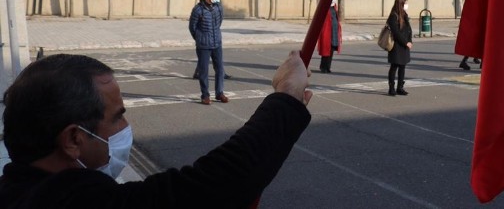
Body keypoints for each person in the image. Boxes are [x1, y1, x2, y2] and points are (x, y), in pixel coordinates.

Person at [0, 52, 312, 207]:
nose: (125, 127)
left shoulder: (15, 189)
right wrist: (286, 95)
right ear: (73, 139)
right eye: (117, 118)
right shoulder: (72, 199)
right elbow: (216, 184)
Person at [189, 0, 226, 105]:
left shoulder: (218, 7)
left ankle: (219, 93)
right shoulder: (198, 9)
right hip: (203, 45)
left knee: (219, 69)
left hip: (217, 43)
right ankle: (205, 95)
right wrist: (200, 38)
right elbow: (192, 27)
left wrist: (215, 35)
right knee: (204, 71)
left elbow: (219, 22)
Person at [386, 0, 413, 96]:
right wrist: (405, 42)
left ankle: (400, 87)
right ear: (400, 4)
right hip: (396, 45)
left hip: (405, 45)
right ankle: (391, 88)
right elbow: (396, 33)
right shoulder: (393, 16)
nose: (407, 5)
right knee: (394, 66)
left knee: (403, 66)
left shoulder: (404, 14)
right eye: (405, 3)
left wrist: (410, 41)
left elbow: (409, 29)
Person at [315, 0, 341, 74]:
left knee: (331, 50)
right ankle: (323, 67)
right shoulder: (325, 8)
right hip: (327, 32)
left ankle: (328, 67)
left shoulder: (334, 8)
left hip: (334, 31)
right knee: (326, 50)